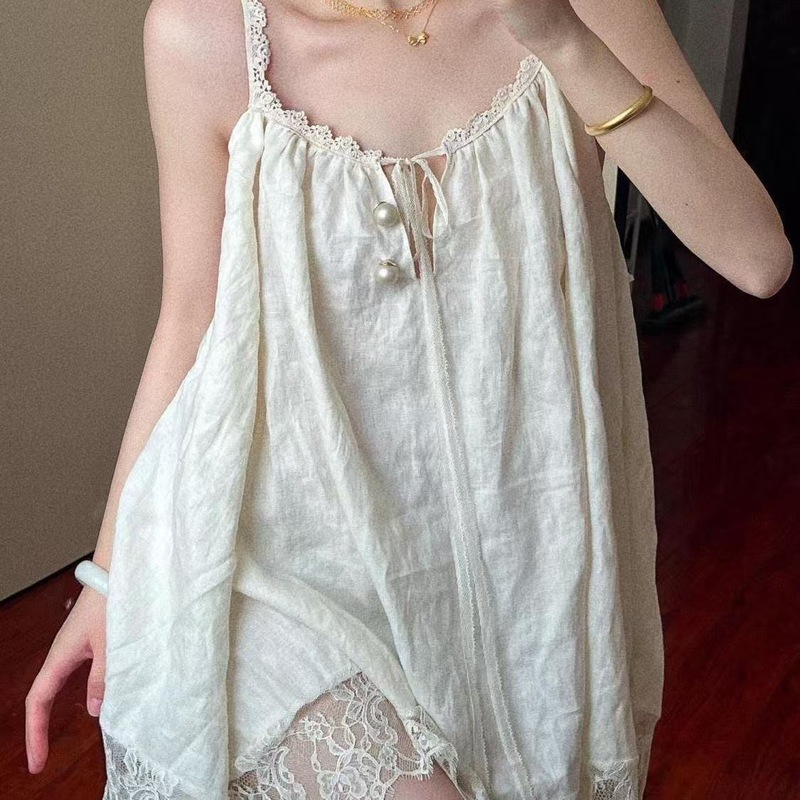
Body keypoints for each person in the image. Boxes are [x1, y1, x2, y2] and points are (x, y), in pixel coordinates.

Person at [25, 0, 792, 797]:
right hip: (281, 555)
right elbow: (190, 316)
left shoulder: (581, 10)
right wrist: (107, 580)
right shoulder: (203, 32)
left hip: (527, 568)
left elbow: (757, 256)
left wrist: (563, 40)